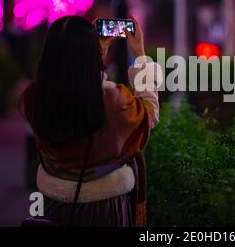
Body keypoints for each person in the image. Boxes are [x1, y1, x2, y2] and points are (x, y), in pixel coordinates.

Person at [19, 15, 159, 227]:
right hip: (105, 208)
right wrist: (140, 55)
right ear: (90, 55)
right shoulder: (114, 101)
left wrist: (94, 54)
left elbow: (73, 87)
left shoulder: (34, 99)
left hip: (52, 204)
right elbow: (148, 114)